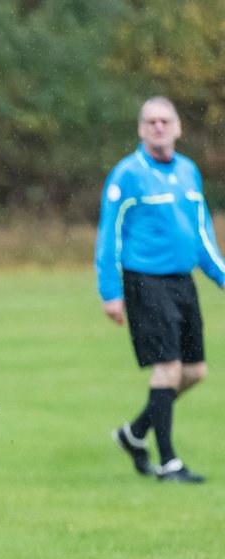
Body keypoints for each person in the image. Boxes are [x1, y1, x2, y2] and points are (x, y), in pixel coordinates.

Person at [97, 96, 225, 483]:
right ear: (140, 129)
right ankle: (168, 463)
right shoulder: (127, 175)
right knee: (167, 368)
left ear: (177, 128)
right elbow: (109, 236)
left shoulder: (189, 172)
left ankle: (135, 433)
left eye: (164, 121)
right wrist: (109, 290)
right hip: (145, 282)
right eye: (150, 121)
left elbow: (202, 234)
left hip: (182, 282)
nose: (158, 127)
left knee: (194, 371)